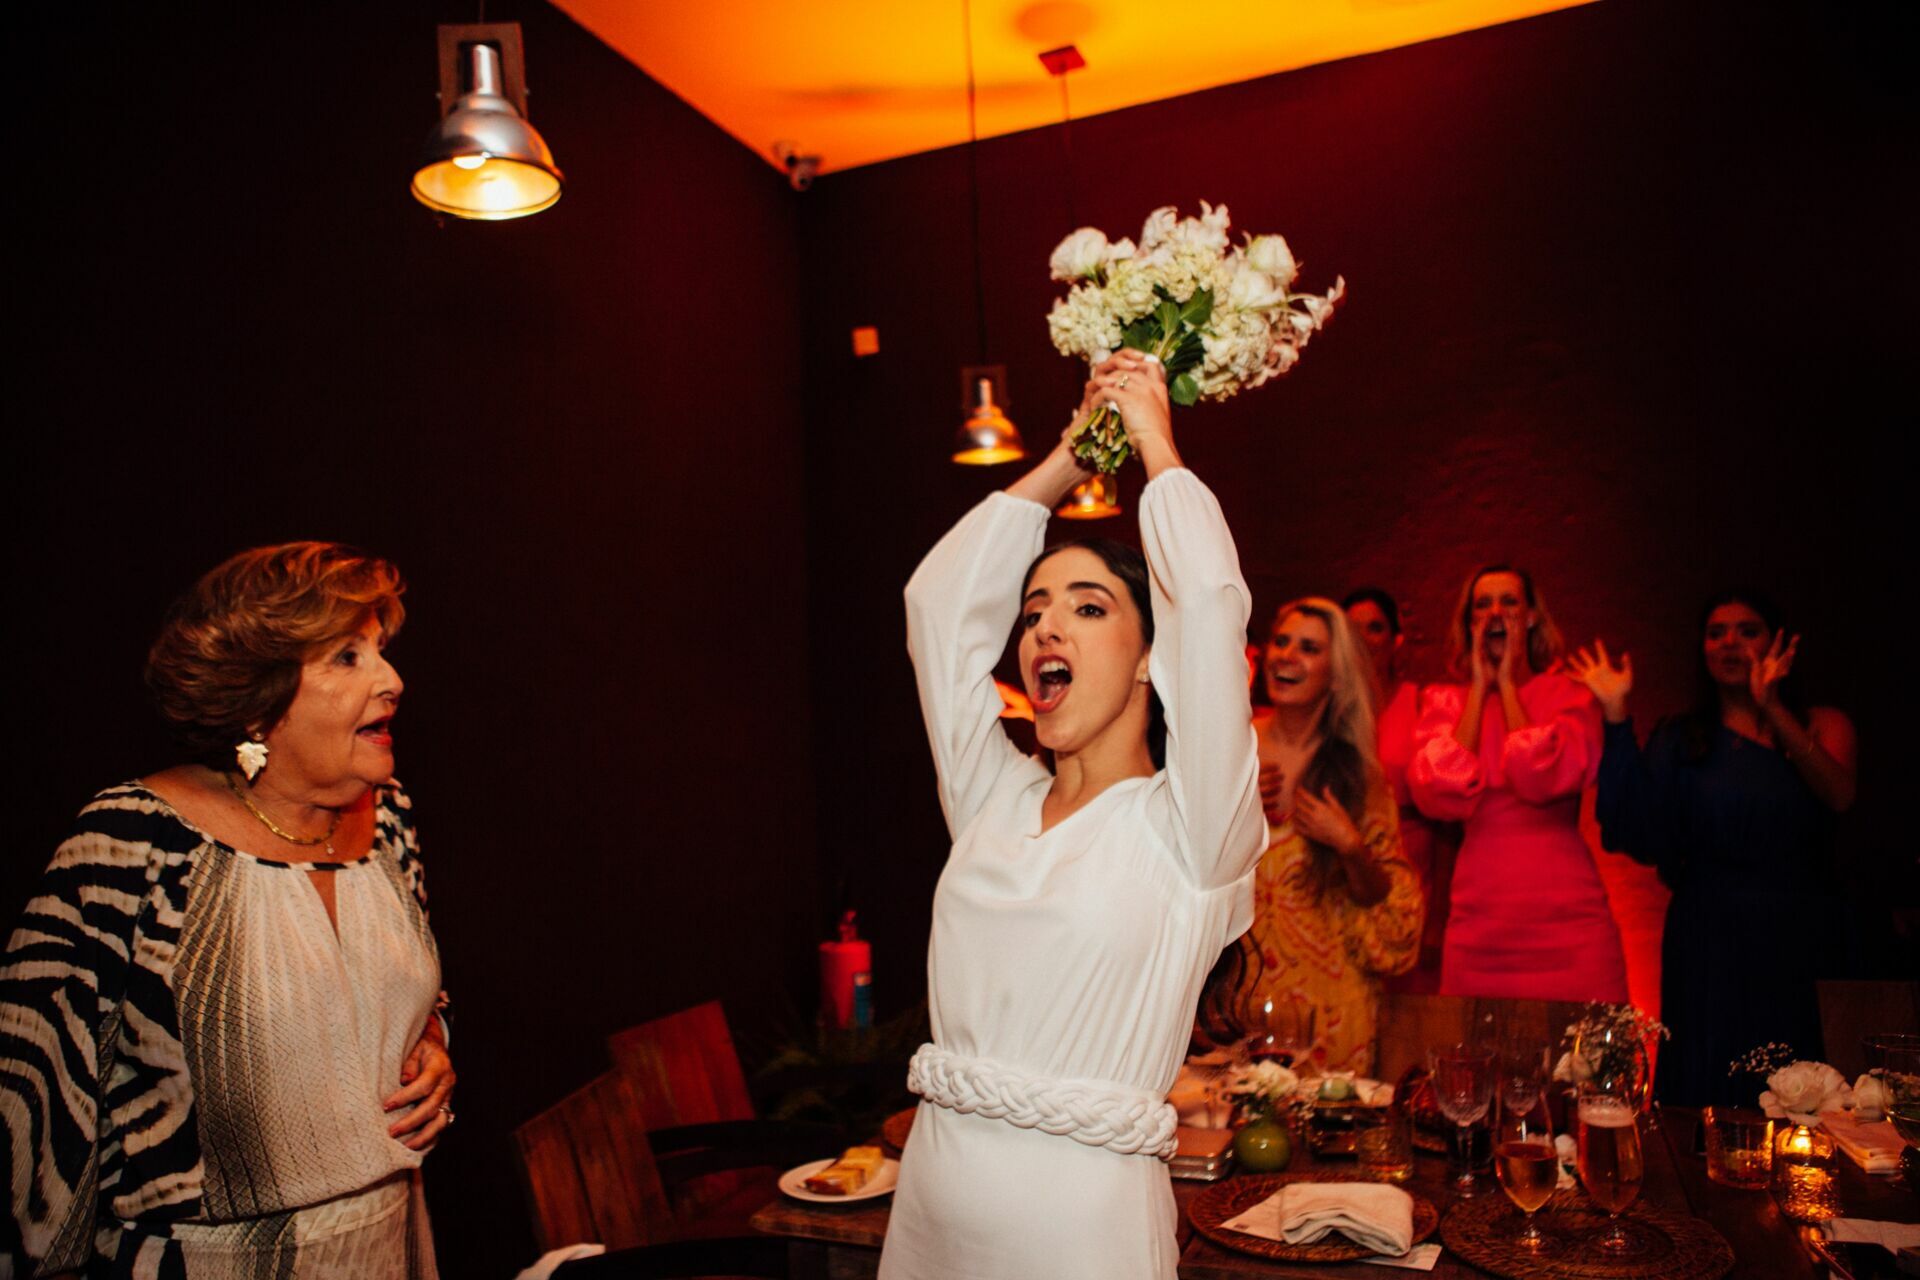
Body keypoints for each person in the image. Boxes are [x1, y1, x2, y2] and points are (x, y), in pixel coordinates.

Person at [883, 351, 1264, 1280]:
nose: (1045, 627)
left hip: (1079, 1238)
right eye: (1033, 611)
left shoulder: (1192, 836)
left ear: (1149, 661)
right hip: (930, 1213)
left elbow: (1210, 605)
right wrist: (1070, 453)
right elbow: (936, 607)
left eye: (1088, 609)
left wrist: (1151, 440)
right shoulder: (992, 796)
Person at [2, 543, 454, 1279]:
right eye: (346, 657)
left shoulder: (391, 818)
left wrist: (431, 1039)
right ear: (257, 701)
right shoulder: (133, 841)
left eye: (379, 651)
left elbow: (399, 993)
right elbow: (32, 1105)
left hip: (392, 1247)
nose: (392, 680)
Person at [1570, 591, 1857, 1105]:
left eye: (1747, 631)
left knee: (1792, 1079)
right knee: (1706, 1080)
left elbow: (1839, 793)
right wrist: (1615, 714)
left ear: (1777, 643)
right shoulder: (1683, 738)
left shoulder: (1820, 722)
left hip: (1793, 926)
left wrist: (1771, 706)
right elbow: (1632, 829)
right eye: (1716, 632)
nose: (1730, 642)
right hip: (1705, 934)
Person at [1407, 565, 1626, 1002]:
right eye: (1482, 605)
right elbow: (1437, 793)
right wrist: (1478, 689)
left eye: (1509, 602)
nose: (1495, 614)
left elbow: (1540, 777)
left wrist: (1507, 684)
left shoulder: (1568, 694)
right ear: (1470, 623)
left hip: (1566, 916)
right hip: (1481, 919)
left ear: (1530, 617)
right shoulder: (1444, 701)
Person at [1227, 598, 1422, 1075]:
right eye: (1281, 641)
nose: (1286, 656)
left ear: (1337, 674)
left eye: (1308, 648)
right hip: (1237, 1004)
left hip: (1332, 1011)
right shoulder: (1233, 749)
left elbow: (1391, 913)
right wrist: (1232, 805)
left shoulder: (1360, 775)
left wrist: (1350, 846)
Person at [1343, 587, 1449, 994]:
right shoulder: (1327, 707)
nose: (1365, 639)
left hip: (1409, 878)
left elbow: (1445, 822)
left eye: (1375, 628)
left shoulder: (1421, 704)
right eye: (1353, 629)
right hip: (1343, 878)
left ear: (1395, 639)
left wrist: (1437, 920)